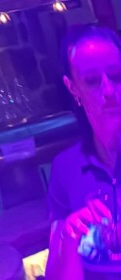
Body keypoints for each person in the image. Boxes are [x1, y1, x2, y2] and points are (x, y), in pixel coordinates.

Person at [46, 23, 121, 279]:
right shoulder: (65, 168)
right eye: (92, 81)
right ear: (73, 88)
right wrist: (69, 236)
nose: (108, 90)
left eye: (116, 76)